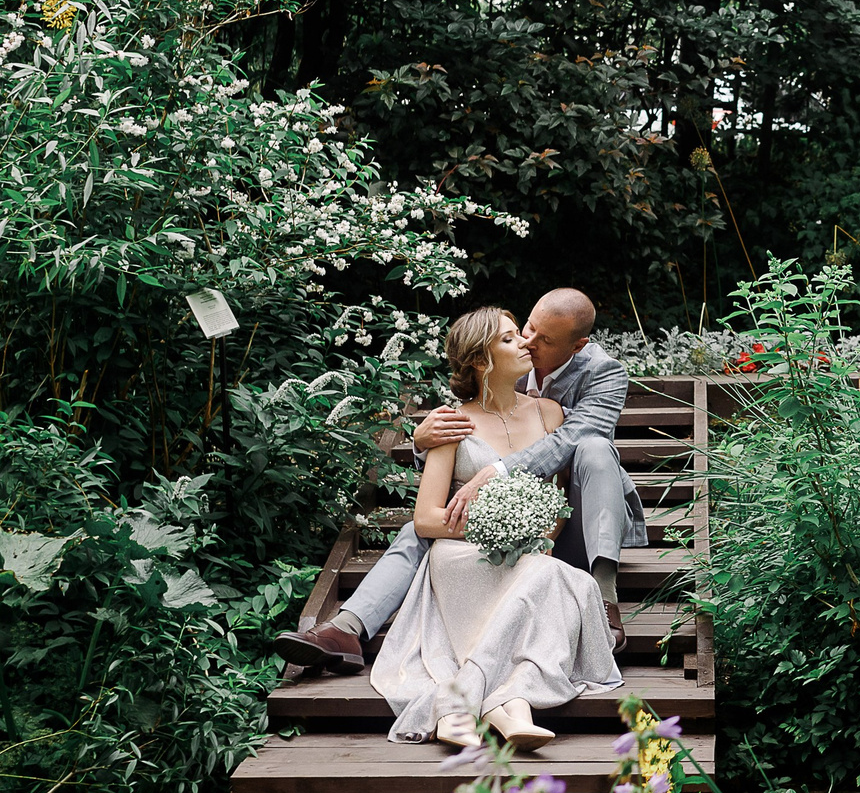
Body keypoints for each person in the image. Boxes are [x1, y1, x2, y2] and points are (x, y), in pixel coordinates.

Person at [273, 286, 648, 670]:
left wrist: (503, 482)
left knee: (595, 448)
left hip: (574, 522)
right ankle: (345, 629)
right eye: (526, 329)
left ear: (577, 345)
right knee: (418, 531)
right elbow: (467, 426)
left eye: (544, 339)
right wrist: (422, 441)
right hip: (493, 537)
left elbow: (571, 446)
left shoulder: (598, 376)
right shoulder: (507, 372)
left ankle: (605, 597)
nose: (528, 341)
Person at [362, 307, 621, 750]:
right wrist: (500, 531)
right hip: (465, 557)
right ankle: (506, 702)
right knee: (552, 579)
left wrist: (536, 537)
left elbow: (558, 504)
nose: (525, 342)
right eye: (509, 338)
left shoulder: (550, 414)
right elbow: (426, 519)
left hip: (531, 555)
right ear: (481, 360)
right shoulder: (452, 422)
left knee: (560, 577)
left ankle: (491, 703)